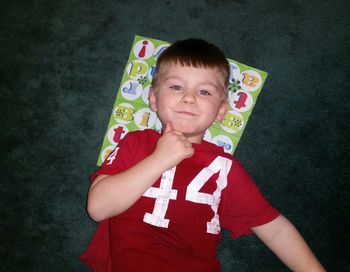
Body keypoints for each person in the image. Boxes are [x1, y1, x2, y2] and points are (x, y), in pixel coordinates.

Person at [80, 39, 325, 272]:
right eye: (176, 87)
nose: (189, 98)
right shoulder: (135, 142)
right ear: (153, 98)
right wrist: (160, 158)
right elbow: (98, 208)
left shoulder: (224, 167)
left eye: (205, 92)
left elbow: (274, 229)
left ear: (220, 111)